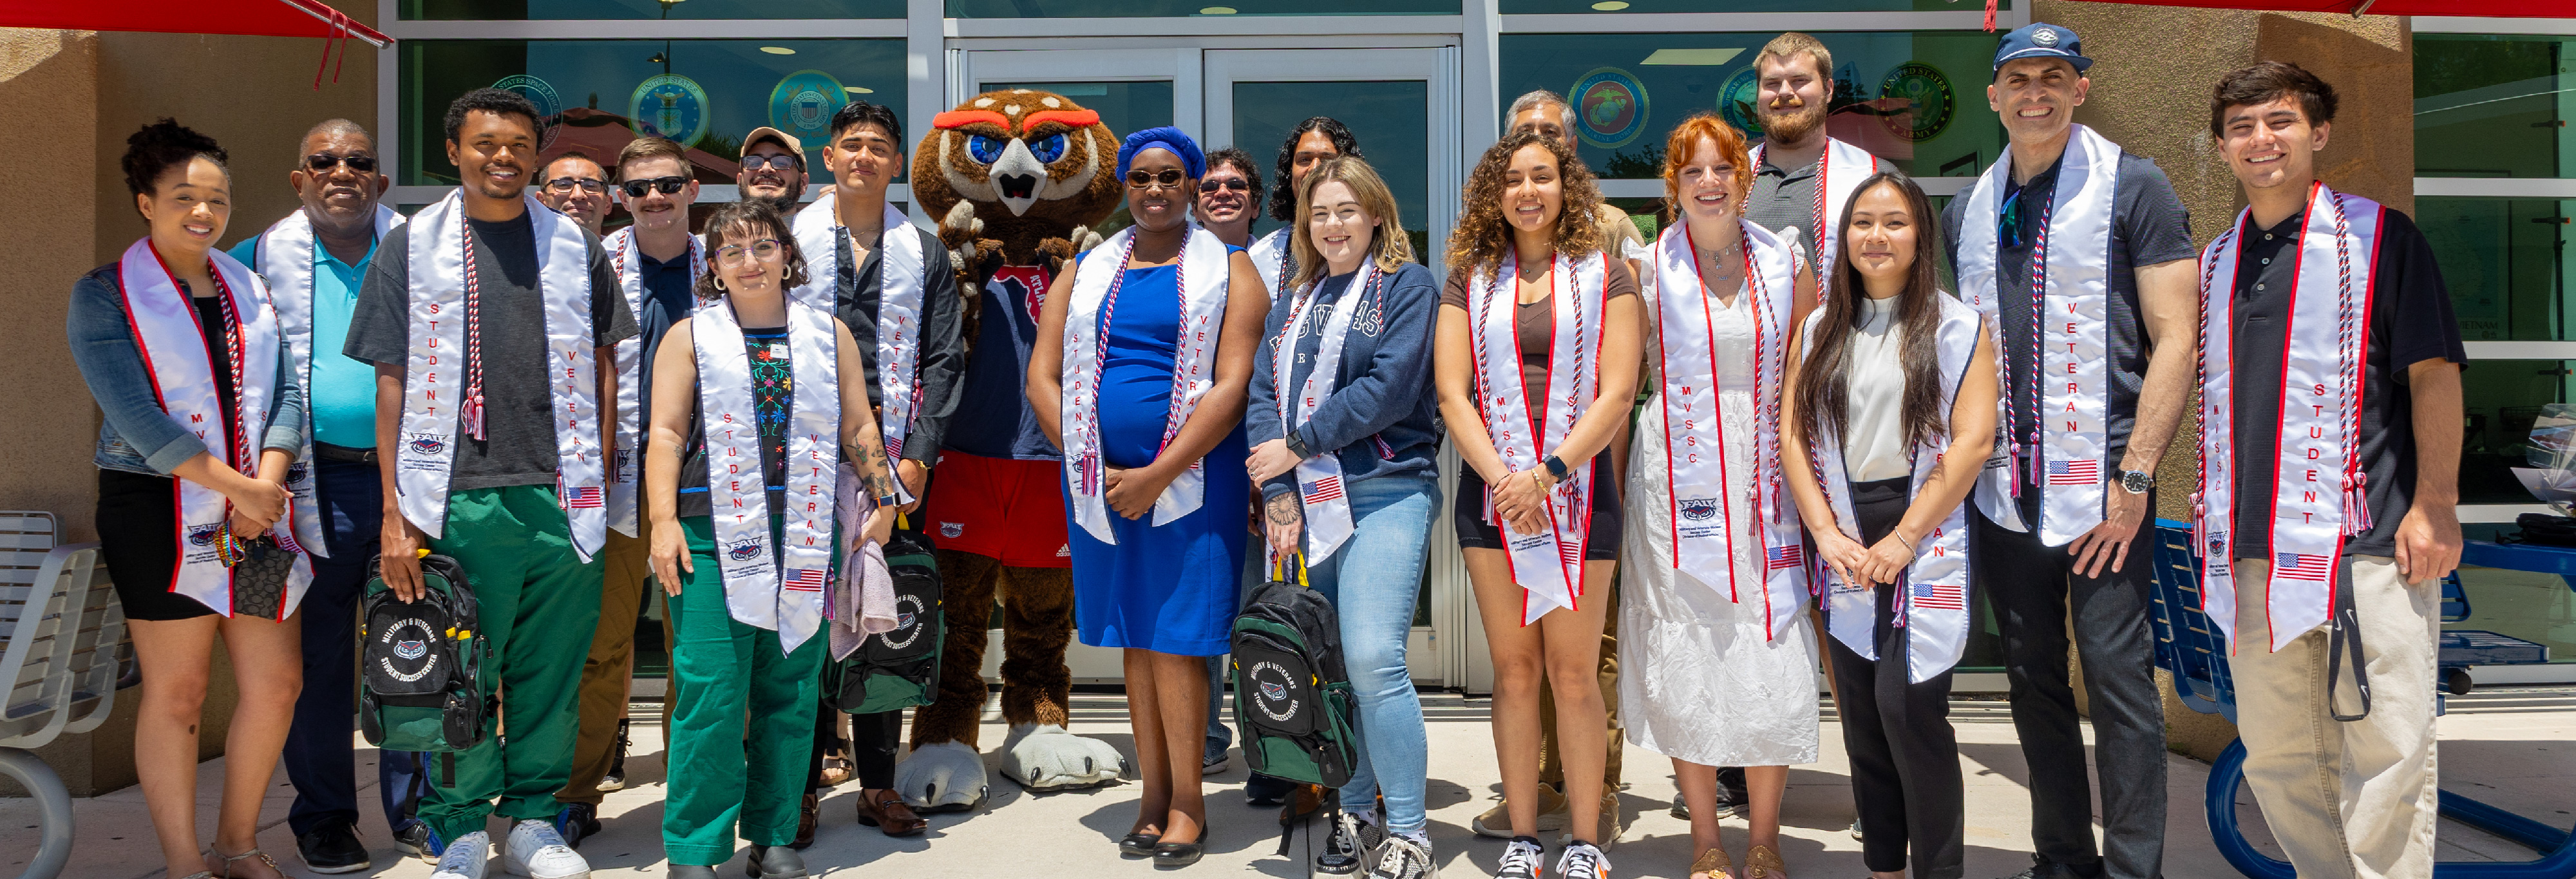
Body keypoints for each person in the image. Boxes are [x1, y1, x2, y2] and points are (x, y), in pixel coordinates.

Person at [345, 88, 638, 879]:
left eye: (517, 144)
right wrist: (395, 516)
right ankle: (461, 825)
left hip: (559, 496)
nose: (501, 157)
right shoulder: (412, 246)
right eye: (485, 144)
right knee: (458, 676)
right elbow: (393, 380)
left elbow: (608, 366)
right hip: (455, 496)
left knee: (550, 669)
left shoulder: (576, 247)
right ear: (455, 152)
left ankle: (536, 819)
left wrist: (597, 479)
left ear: (535, 153)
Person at [1936, 24, 2199, 879]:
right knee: (2032, 683)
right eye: (2019, 78)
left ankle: (2131, 868)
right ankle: (2062, 859)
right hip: (2007, 493)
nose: (2036, 93)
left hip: (2105, 489)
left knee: (2121, 689)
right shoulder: (1967, 207)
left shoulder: (2135, 186)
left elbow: (2177, 337)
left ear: (2082, 88)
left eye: (2055, 77)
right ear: (1995, 95)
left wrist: (2138, 472)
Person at [2198, 61, 2463, 879]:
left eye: (2278, 122)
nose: (2260, 140)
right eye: (2242, 127)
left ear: (2317, 134)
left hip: (2370, 545)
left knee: (2385, 754)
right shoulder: (2216, 262)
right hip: (2250, 556)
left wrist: (2436, 505)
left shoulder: (2381, 240)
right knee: (2280, 760)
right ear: (2221, 149)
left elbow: (2434, 373)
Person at [72, 118, 310, 879]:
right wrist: (239, 486)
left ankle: (236, 843)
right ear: (146, 202)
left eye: (217, 197)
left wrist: (265, 485)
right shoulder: (104, 296)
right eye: (184, 197)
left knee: (276, 685)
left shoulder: (251, 287)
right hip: (158, 511)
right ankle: (182, 863)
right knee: (180, 693)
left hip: (258, 514)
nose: (203, 212)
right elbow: (137, 418)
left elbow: (287, 395)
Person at [1027, 127, 1265, 869]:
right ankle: (1152, 798)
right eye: (1140, 178)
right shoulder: (1086, 268)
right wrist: (1088, 459)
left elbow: (1231, 388)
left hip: (1191, 485)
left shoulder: (1233, 270)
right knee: (1135, 638)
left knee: (1179, 640)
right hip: (1101, 487)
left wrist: (1159, 473)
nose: (1154, 190)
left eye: (1169, 177)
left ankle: (1190, 804)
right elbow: (1042, 376)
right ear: (1123, 187)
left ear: (1192, 186)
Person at [645, 198, 901, 879]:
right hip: (708, 536)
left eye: (763, 247)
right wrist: (662, 521)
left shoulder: (829, 334)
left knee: (790, 690)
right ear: (715, 267)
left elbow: (858, 426)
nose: (750, 262)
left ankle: (775, 832)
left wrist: (885, 499)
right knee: (711, 694)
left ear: (788, 254)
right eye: (733, 251)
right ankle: (695, 849)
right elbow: (667, 434)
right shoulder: (688, 338)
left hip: (806, 531)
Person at [1619, 113, 1820, 879]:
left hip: (1766, 470)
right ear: (1672, 187)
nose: (1709, 182)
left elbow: (1807, 372)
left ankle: (1763, 837)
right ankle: (1706, 837)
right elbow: (1620, 381)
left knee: (1767, 639)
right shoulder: (1644, 267)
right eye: (1691, 170)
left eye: (1722, 168)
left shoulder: (1785, 261)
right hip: (1676, 473)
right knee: (1690, 641)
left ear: (1745, 179)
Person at [1436, 130, 1641, 879]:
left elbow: (1618, 392)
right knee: (1515, 672)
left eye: (1543, 177)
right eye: (1513, 179)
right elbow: (1452, 393)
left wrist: (1547, 474)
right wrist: (1504, 480)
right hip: (1494, 499)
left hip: (1579, 492)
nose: (1528, 191)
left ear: (1567, 188)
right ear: (1495, 195)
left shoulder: (1607, 274)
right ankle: (1524, 834)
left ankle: (1584, 838)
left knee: (1575, 674)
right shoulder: (1469, 278)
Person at [1784, 171, 1999, 879]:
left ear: (1919, 236)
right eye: (1862, 223)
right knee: (1864, 722)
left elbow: (1971, 441)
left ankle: (1939, 869)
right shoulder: (1820, 327)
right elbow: (1789, 432)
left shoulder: (1956, 325)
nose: (1876, 237)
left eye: (1895, 223)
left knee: (1907, 709)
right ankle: (1882, 866)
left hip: (1921, 522)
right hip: (1843, 526)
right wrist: (1823, 532)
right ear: (1843, 237)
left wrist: (1905, 537)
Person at [1247, 156, 1444, 879]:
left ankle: (1411, 831)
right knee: (1327, 669)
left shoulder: (1407, 287)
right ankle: (1356, 813)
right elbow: (1262, 395)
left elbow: (1390, 387)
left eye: (1345, 211)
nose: (1332, 225)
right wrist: (1275, 489)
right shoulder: (1292, 300)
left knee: (1370, 659)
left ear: (1375, 215)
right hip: (1302, 502)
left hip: (1385, 489)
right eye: (1319, 213)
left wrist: (1297, 445)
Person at [227, 118, 414, 876]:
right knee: (318, 658)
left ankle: (419, 809)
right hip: (308, 481)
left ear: (381, 181)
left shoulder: (423, 255)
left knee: (420, 644)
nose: (342, 171)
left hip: (411, 479)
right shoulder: (250, 263)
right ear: (299, 179)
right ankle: (327, 817)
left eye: (359, 161)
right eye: (323, 161)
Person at [786, 99, 967, 839]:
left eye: (878, 147)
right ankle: (795, 788)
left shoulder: (922, 251)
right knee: (798, 628)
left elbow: (944, 357)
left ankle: (878, 786)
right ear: (829, 158)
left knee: (883, 620)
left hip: (888, 464)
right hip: (796, 464)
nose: (864, 156)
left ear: (897, 163)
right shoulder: (788, 238)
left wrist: (918, 459)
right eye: (850, 144)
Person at [552, 135, 706, 846]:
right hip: (610, 481)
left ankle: (695, 794)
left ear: (692, 190)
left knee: (697, 648)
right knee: (601, 645)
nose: (654, 199)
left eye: (667, 185)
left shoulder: (725, 262)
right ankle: (574, 794)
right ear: (621, 197)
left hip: (704, 480)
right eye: (639, 188)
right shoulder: (591, 261)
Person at [1187, 145, 1273, 782]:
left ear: (1255, 198)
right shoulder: (1170, 259)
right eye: (1210, 185)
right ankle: (1204, 734)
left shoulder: (1277, 263)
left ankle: (1266, 741)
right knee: (1195, 601)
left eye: (1235, 185)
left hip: (1254, 456)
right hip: (1185, 456)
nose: (1222, 193)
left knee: (1251, 607)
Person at [1745, 32, 1886, 288]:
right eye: (1772, 83)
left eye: (1799, 80)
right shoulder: (1726, 177)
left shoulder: (1875, 177)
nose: (1785, 92)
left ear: (1829, 90)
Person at [1248, 117, 1360, 305]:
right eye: (1305, 159)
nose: (1315, 168)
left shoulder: (1383, 250)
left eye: (1327, 159)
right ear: (1289, 172)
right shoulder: (1262, 256)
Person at [535, 152, 611, 236]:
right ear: (541, 202)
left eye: (590, 185)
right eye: (564, 185)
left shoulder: (624, 249)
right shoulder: (523, 249)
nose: (578, 195)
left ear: (607, 204)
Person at [737, 127, 809, 214]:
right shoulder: (721, 227)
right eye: (754, 163)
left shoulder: (820, 227)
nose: (766, 168)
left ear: (803, 183)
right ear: (739, 181)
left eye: (781, 163)